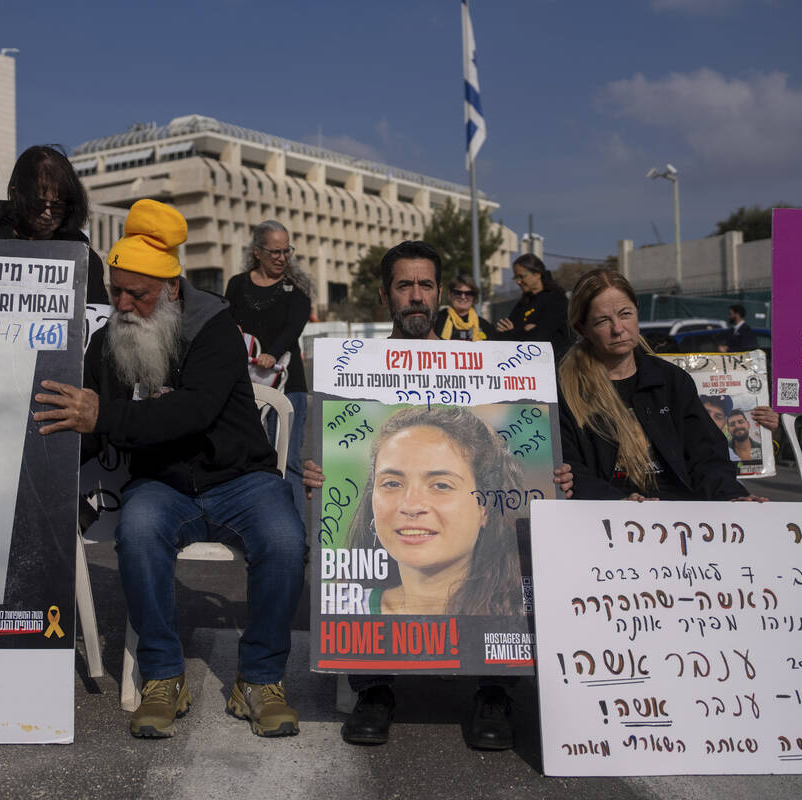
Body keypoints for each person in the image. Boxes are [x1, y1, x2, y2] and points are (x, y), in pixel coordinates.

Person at [34, 199, 306, 740]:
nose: (125, 304)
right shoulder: (110, 338)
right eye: (116, 292)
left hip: (240, 477)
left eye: (139, 293)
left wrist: (102, 414)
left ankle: (259, 679)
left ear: (172, 290)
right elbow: (86, 412)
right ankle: (162, 677)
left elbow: (192, 411)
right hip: (164, 483)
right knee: (136, 533)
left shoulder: (214, 325)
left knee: (284, 540)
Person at [303, 241, 574, 751]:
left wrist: (556, 477)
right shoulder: (353, 366)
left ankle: (494, 690)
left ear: (441, 295)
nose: (415, 296)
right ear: (385, 294)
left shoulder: (480, 364)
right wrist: (314, 470)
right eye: (404, 285)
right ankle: (374, 687)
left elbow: (533, 439)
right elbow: (327, 454)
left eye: (425, 285)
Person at [559, 268, 765, 502]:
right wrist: (615, 503)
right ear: (582, 328)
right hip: (606, 522)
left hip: (679, 519)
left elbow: (707, 456)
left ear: (637, 311)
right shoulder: (566, 390)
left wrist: (732, 496)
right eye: (603, 321)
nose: (618, 329)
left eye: (625, 314)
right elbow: (570, 470)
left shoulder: (672, 381)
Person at [343, 406, 525, 616]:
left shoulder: (531, 616)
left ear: (484, 508)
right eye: (392, 484)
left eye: (441, 485)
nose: (411, 506)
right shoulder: (337, 609)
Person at [225, 220, 312, 520]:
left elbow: (293, 328)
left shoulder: (296, 289)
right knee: (247, 458)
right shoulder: (236, 284)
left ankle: (296, 532)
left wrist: (272, 353)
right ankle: (257, 525)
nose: (281, 257)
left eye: (286, 250)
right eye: (274, 251)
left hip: (289, 385)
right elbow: (227, 321)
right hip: (245, 384)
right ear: (257, 252)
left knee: (288, 461)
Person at [0, 144, 107, 305]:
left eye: (57, 206)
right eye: (38, 204)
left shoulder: (84, 259)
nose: (47, 214)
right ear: (16, 194)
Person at [494, 253, 570, 359]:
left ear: (537, 273)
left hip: (552, 365)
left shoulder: (556, 299)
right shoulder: (523, 304)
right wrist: (525, 330)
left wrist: (514, 331)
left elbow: (541, 337)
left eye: (521, 276)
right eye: (516, 277)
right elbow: (504, 335)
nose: (518, 281)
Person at [434, 274, 487, 341]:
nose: (463, 297)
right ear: (450, 294)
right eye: (458, 292)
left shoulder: (485, 326)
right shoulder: (435, 321)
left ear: (474, 296)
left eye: (468, 293)